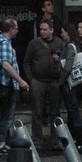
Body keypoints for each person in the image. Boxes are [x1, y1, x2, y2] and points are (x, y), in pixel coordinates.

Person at [23, 19, 66, 149]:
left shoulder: (59, 43)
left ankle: (55, 139)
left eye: (45, 29)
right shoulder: (34, 43)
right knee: (37, 111)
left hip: (54, 81)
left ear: (52, 30)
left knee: (55, 112)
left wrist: (60, 80)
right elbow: (26, 62)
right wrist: (31, 79)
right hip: (38, 81)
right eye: (41, 29)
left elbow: (65, 61)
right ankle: (37, 139)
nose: (42, 32)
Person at [0, 18, 29, 154]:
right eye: (16, 28)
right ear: (11, 29)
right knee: (7, 115)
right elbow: (6, 64)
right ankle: (1, 143)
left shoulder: (1, 42)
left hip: (3, 86)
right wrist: (20, 80)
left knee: (4, 114)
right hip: (6, 86)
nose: (17, 31)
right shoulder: (5, 44)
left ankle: (3, 141)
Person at [58, 22, 82, 148]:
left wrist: (61, 81)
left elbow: (68, 66)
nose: (61, 34)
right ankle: (75, 139)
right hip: (73, 84)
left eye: (63, 32)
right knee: (72, 110)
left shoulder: (70, 47)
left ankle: (78, 141)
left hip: (70, 84)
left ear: (67, 33)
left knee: (73, 111)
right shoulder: (74, 45)